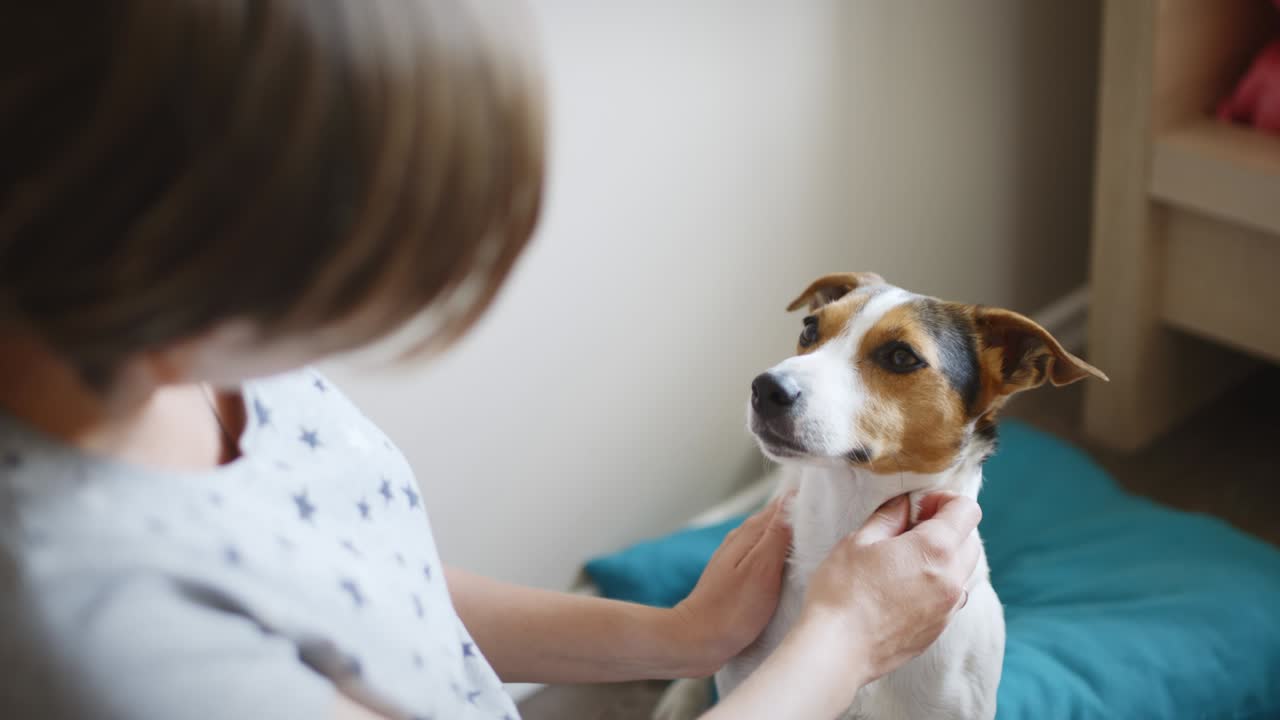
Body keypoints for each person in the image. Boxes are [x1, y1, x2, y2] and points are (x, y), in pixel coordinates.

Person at [0, 3, 983, 719]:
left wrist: (683, 635)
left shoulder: (191, 353)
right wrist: (841, 644)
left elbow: (368, 590)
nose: (397, 313)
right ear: (184, 231)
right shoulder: (111, 638)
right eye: (378, 265)